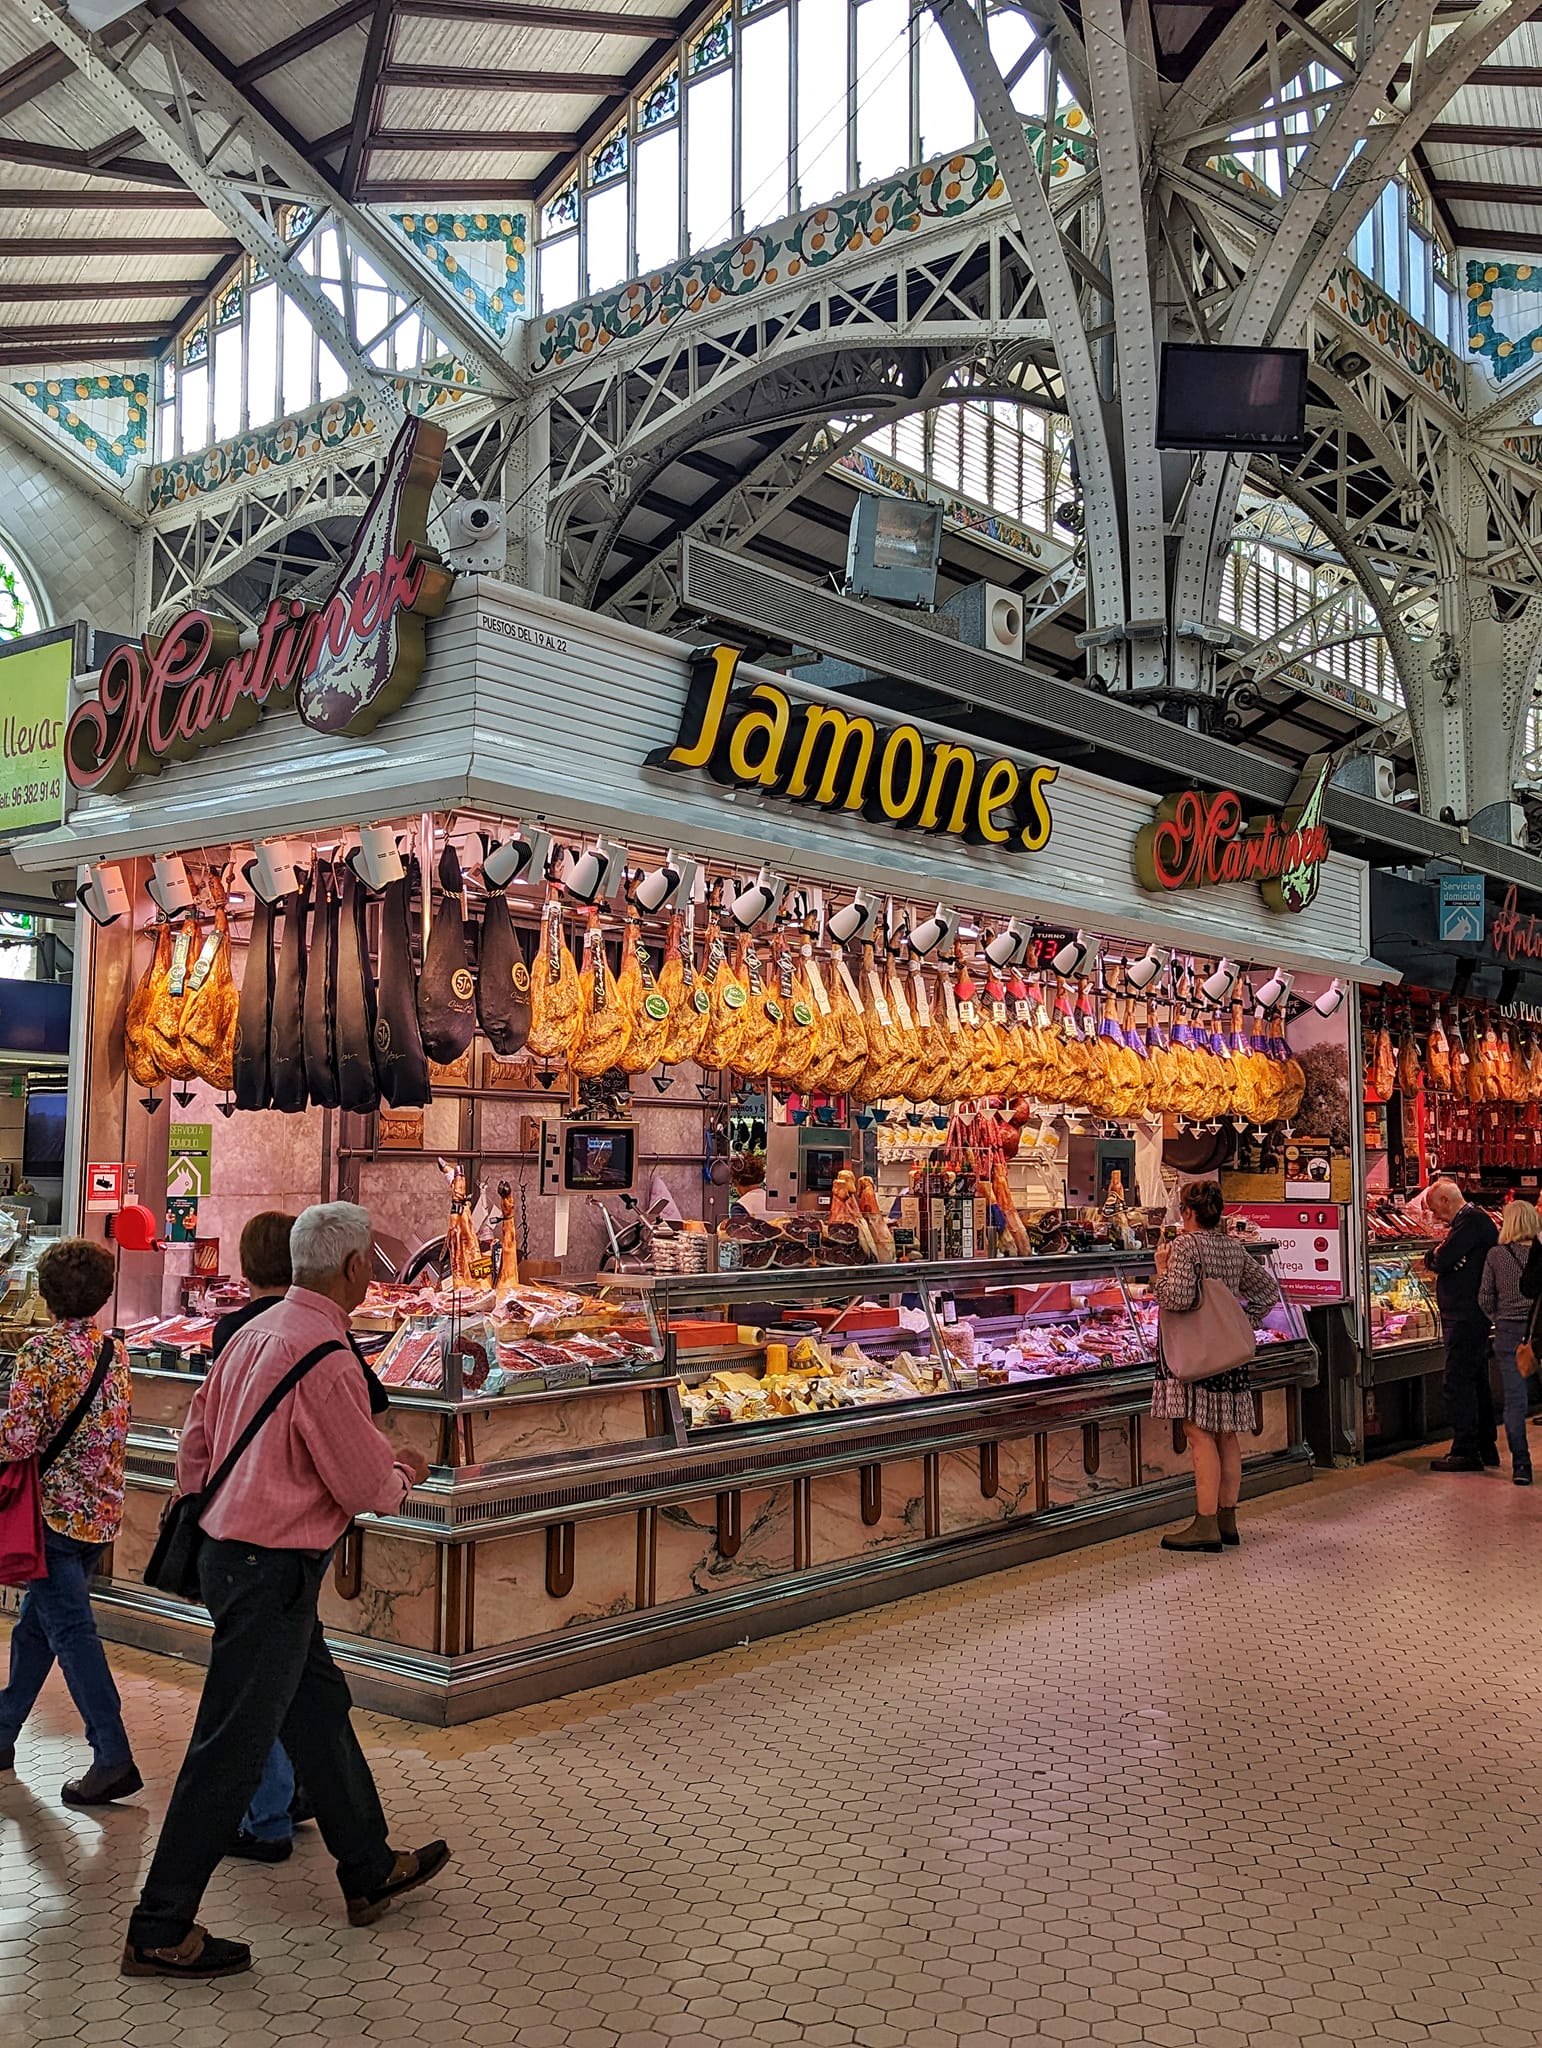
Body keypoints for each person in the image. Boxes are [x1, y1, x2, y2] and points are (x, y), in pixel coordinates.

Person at [123, 1202, 444, 1980]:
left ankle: (369, 1865)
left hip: (235, 1557)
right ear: (354, 1268)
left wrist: (215, 1512)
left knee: (317, 1712)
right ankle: (160, 1926)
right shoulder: (327, 1357)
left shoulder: (253, 1333)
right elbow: (365, 1486)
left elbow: (195, 1444)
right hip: (273, 1569)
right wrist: (405, 1470)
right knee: (229, 1746)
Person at [0, 1236, 139, 1805]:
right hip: (99, 1513)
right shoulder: (115, 1351)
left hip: (50, 1517)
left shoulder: (40, 1352)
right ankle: (3, 1732)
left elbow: (19, 1440)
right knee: (37, 1627)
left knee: (73, 1635)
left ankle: (112, 1755)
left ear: (47, 1292)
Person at [1151, 1182, 1282, 1554]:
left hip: (1197, 1354)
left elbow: (1177, 1298)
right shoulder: (1232, 1246)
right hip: (1227, 1355)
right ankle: (1227, 1520)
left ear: (1188, 1212)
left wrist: (1160, 1270)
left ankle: (1205, 1523)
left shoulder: (1185, 1246)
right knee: (1227, 1433)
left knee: (1198, 1432)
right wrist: (1242, 1323)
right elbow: (1267, 1291)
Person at [1423, 1177, 1499, 1473]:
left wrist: (1438, 1255)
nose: (1436, 1217)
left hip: (1466, 1315)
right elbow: (1446, 1258)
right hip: (1472, 1313)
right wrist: (1442, 1256)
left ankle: (1465, 1450)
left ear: (1445, 1200)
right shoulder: (1473, 1221)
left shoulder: (1470, 1221)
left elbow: (1442, 1260)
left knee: (1457, 1381)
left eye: (1435, 1209)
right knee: (1475, 1378)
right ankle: (1485, 1445)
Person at [1479, 1199, 1538, 1487]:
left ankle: (1521, 1466)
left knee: (1515, 1403)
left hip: (1509, 1336)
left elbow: (1484, 1297)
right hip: (1540, 1332)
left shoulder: (1496, 1255)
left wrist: (1500, 1319)